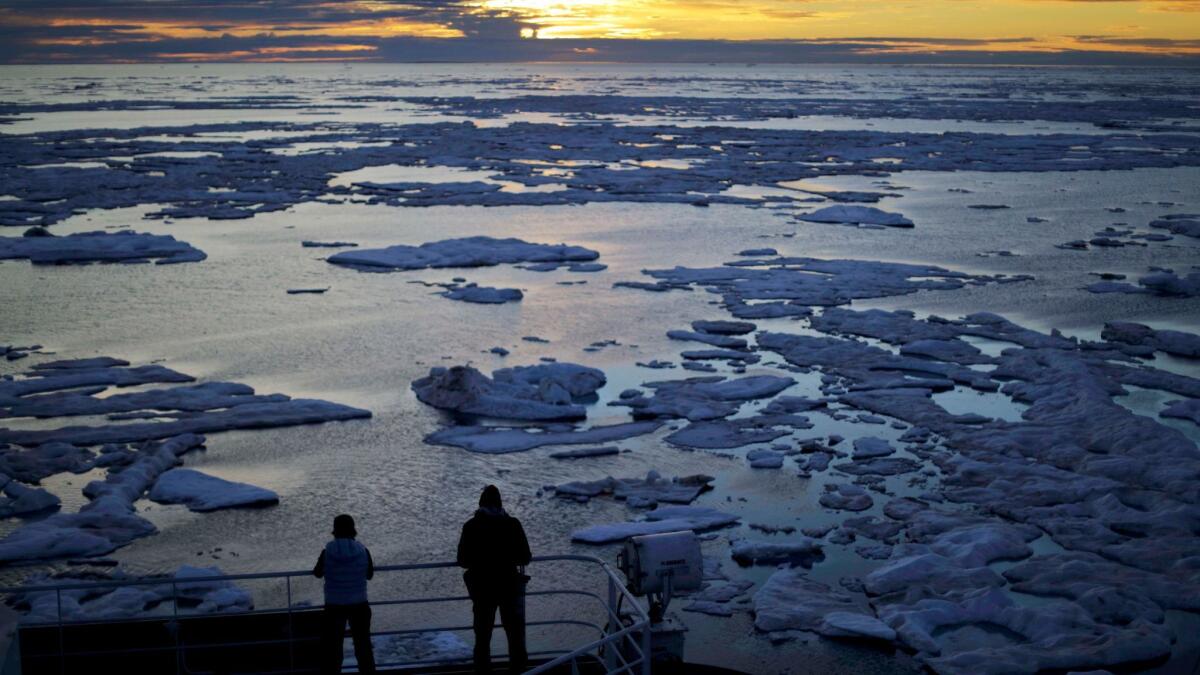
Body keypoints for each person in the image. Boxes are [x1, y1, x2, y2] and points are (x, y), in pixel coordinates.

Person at [457, 485, 532, 674]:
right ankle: (520, 671)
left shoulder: (471, 526)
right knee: (515, 637)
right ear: (500, 504)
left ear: (480, 504)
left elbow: (463, 560)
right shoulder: (513, 524)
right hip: (510, 587)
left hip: (482, 590)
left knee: (482, 638)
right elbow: (525, 557)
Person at [314, 514, 376, 674]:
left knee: (333, 648)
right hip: (359, 604)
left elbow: (318, 573)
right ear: (353, 530)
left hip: (334, 606)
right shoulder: (363, 551)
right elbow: (369, 574)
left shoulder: (327, 552)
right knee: (363, 646)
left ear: (334, 531)